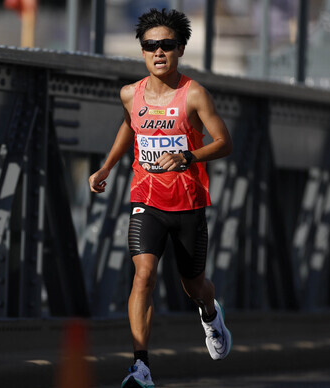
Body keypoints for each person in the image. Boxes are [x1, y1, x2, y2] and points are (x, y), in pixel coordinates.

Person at [88, 8, 233, 388]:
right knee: (143, 276)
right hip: (146, 200)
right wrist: (106, 167)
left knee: (194, 286)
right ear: (142, 51)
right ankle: (141, 366)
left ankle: (209, 313)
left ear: (180, 49)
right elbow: (128, 126)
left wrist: (187, 156)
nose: (158, 52)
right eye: (151, 45)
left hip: (188, 203)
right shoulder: (130, 94)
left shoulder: (194, 94)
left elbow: (224, 142)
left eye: (166, 45)